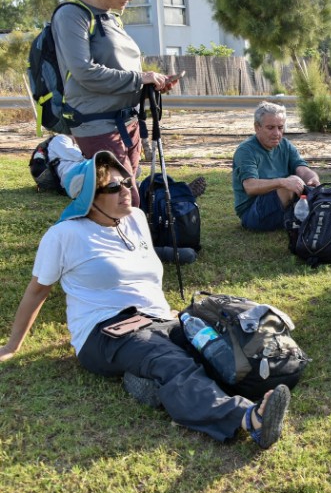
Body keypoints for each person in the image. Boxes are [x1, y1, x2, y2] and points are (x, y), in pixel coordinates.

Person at [0, 152, 291, 448]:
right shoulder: (64, 235)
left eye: (126, 182)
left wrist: (170, 315)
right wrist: (13, 346)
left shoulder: (136, 219)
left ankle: (146, 382)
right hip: (105, 331)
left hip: (157, 319)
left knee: (216, 344)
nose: (127, 190)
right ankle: (246, 419)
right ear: (89, 197)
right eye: (114, 188)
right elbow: (38, 290)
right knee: (171, 361)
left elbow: (143, 278)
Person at [54, 0, 176, 206]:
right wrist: (139, 79)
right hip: (96, 124)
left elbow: (123, 70)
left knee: (125, 199)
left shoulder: (112, 19)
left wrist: (151, 83)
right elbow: (84, 72)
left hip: (127, 123)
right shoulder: (71, 15)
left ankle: (128, 245)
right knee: (123, 200)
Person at [232, 101, 321, 231]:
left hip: (280, 203)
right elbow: (250, 186)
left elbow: (301, 168)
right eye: (270, 128)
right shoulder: (246, 151)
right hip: (252, 213)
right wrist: (283, 182)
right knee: (288, 185)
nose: (277, 133)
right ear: (257, 127)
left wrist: (313, 178)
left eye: (280, 127)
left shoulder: (285, 145)